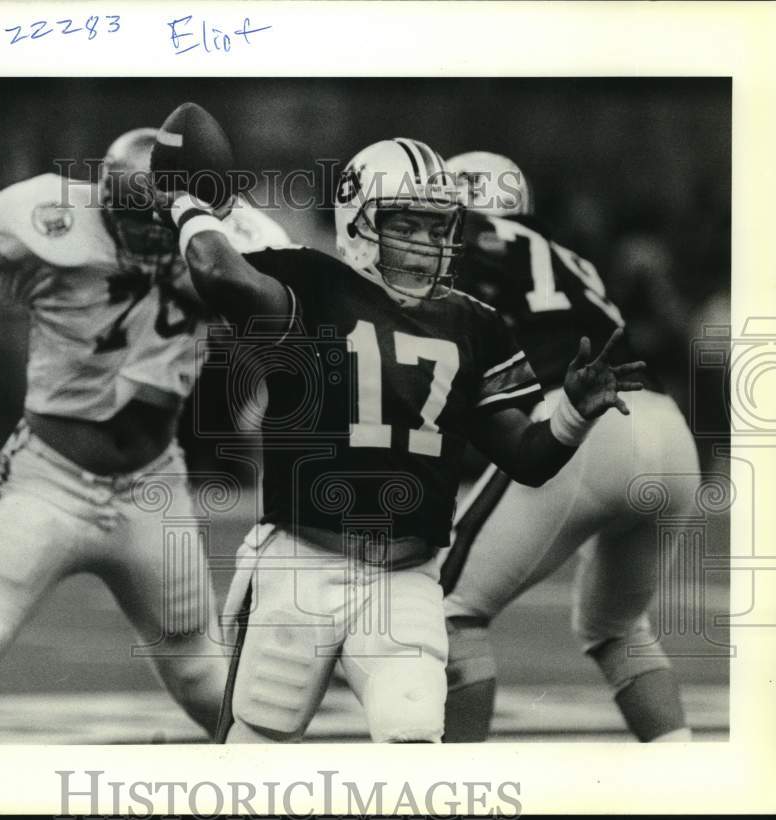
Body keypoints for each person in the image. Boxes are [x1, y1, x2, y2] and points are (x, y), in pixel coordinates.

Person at [152, 116, 647, 743]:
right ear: (360, 223)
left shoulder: (476, 323)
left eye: (435, 226)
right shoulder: (315, 282)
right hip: (301, 567)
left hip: (407, 580)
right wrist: (188, 206)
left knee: (415, 755)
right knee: (254, 762)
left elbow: (527, 456)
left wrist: (573, 413)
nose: (421, 242)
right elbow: (219, 271)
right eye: (403, 224)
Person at [0, 127, 289, 744]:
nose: (145, 233)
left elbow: (289, 321)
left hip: (153, 485)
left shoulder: (223, 245)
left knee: (207, 682)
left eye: (158, 217)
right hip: (51, 479)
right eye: (132, 216)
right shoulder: (54, 226)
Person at [440, 150, 698, 742]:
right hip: (665, 428)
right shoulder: (570, 257)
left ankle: (446, 787)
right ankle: (686, 777)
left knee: (443, 612)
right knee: (618, 627)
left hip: (581, 427)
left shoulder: (465, 239)